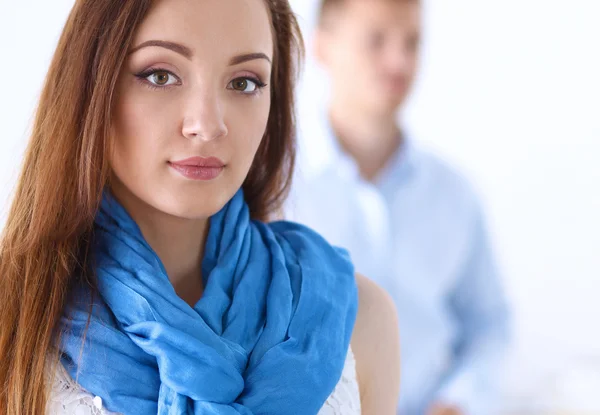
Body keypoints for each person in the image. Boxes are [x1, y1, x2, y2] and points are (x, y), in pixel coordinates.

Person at [0, 0, 401, 414]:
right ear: (90, 85)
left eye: (244, 82)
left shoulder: (359, 321)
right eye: (160, 75)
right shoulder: (16, 313)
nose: (208, 125)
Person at [287, 0, 510, 414]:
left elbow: (489, 323)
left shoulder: (454, 193)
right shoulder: (274, 186)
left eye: (412, 42)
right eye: (376, 40)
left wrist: (459, 399)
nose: (399, 61)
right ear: (321, 47)